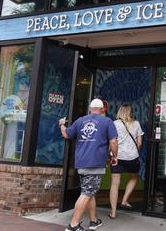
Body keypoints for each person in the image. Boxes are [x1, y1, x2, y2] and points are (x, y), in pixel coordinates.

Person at [59, 98, 118, 231]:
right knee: (87, 192)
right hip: (95, 162)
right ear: (102, 109)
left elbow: (66, 134)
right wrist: (114, 156)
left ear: (90, 109)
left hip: (81, 162)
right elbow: (113, 142)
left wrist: (62, 124)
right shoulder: (107, 121)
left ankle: (93, 221)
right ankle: (73, 225)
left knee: (89, 191)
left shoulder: (80, 121)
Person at [108, 105, 144, 219]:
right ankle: (124, 200)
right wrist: (134, 152)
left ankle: (113, 213)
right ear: (130, 112)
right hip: (132, 157)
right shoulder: (136, 123)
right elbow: (139, 143)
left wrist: (108, 155)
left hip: (116, 156)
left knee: (114, 184)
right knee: (134, 177)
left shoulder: (114, 123)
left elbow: (112, 142)